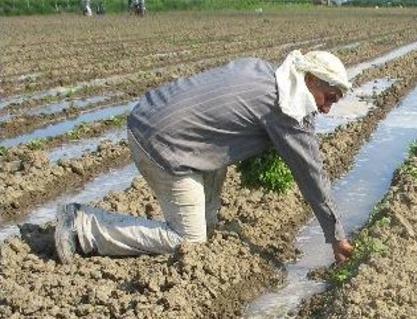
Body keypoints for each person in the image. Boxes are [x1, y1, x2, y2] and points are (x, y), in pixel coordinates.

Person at [54, 51, 355, 265]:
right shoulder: (284, 112)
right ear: (311, 79)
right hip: (161, 143)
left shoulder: (263, 70)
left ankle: (197, 223)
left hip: (169, 126)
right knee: (188, 241)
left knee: (206, 226)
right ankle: (83, 225)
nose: (327, 108)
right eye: (328, 98)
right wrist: (336, 236)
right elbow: (311, 175)